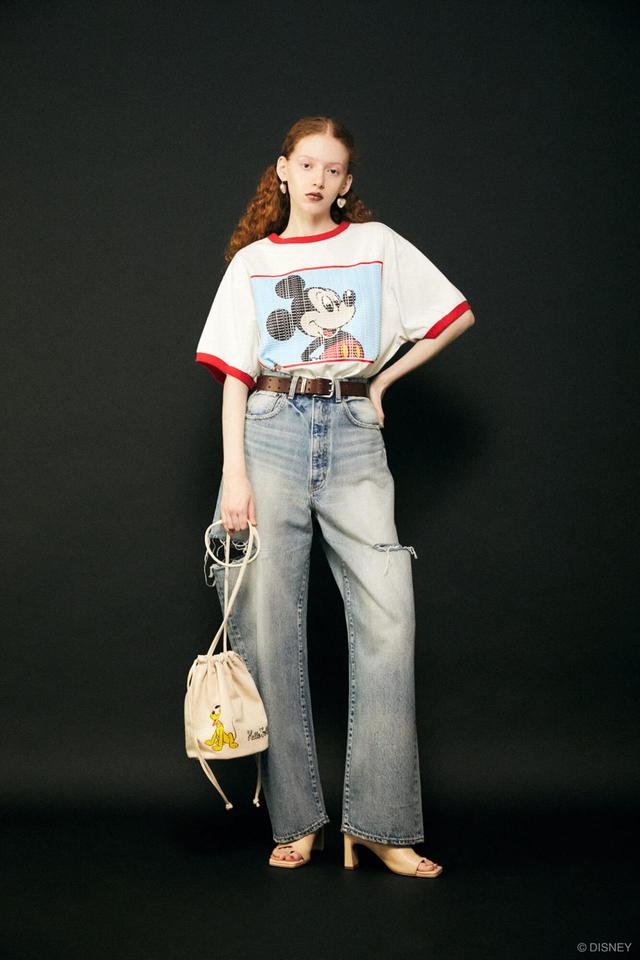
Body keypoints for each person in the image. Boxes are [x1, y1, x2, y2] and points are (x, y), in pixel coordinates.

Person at [194, 115, 475, 878]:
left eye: (334, 168)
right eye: (307, 164)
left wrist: (381, 382)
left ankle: (380, 825)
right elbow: (234, 376)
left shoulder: (375, 246)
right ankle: (298, 821)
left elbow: (453, 315)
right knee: (266, 626)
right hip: (269, 432)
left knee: (388, 617)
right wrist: (234, 475)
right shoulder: (254, 263)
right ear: (283, 170)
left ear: (346, 184)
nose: (318, 178)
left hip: (352, 431)